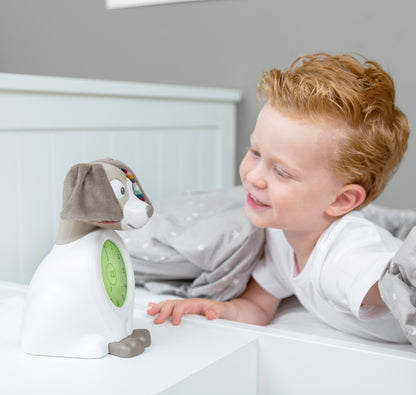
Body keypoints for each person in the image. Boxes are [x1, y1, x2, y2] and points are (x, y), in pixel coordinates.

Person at [147, 52, 410, 342]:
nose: (254, 176)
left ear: (341, 201)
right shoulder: (280, 236)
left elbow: (395, 286)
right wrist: (217, 310)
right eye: (255, 153)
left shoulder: (346, 254)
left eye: (282, 172)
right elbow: (258, 306)